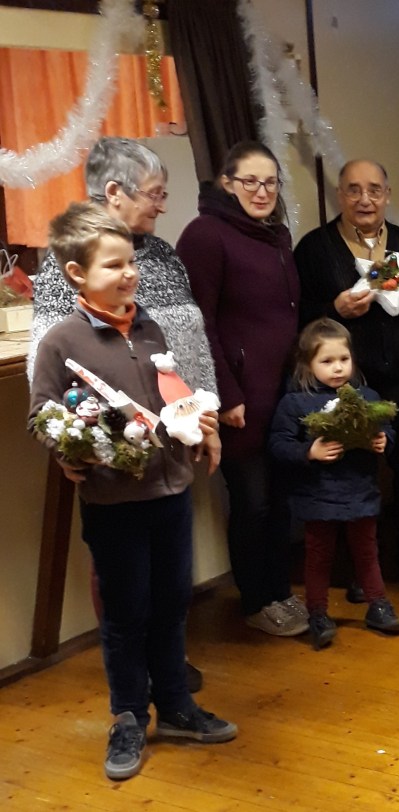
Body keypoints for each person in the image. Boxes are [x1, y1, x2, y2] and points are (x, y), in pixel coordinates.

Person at [30, 202, 235, 781]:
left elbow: (174, 395)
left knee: (172, 605)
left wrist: (200, 418)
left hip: (170, 492)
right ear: (77, 275)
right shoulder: (61, 342)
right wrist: (69, 452)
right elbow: (41, 414)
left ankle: (175, 706)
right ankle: (127, 714)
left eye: (131, 263)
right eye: (113, 265)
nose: (129, 274)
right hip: (114, 502)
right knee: (126, 615)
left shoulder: (149, 327)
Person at [26, 136, 214, 692]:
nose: (161, 204)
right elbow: (51, 376)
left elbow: (185, 344)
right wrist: (68, 448)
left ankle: (167, 672)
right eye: (154, 193)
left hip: (171, 446)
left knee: (168, 582)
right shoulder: (67, 268)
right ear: (114, 192)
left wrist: (206, 415)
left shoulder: (157, 253)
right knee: (123, 583)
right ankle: (134, 686)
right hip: (111, 464)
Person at [294, 159, 399, 594]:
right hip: (345, 384)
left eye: (373, 190)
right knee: (350, 477)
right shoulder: (314, 248)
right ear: (340, 196)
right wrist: (334, 310)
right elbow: (295, 317)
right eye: (353, 190)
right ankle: (361, 572)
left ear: (387, 194)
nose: (364, 199)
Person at [176, 141, 305, 637]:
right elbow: (197, 324)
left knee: (278, 500)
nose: (261, 191)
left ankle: (278, 590)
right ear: (226, 183)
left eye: (270, 181)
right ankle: (256, 598)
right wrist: (224, 394)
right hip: (241, 401)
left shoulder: (275, 236)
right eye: (249, 181)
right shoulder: (205, 235)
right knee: (252, 502)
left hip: (282, 396)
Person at [268, 319, 399, 649]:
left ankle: (378, 605)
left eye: (343, 359)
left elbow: (387, 428)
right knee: (318, 556)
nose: (337, 368)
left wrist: (383, 440)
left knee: (367, 552)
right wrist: (309, 451)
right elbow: (278, 444)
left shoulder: (367, 396)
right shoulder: (295, 403)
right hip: (318, 494)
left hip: (360, 490)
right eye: (326, 361)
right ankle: (317, 613)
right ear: (307, 363)